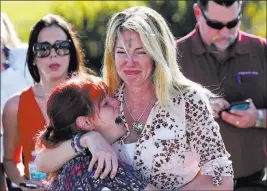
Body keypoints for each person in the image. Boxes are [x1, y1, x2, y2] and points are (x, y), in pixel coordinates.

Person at [35, 6, 234, 190]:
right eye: (121, 52)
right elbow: (43, 161)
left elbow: (222, 178)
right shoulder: (106, 98)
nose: (130, 62)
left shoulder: (188, 100)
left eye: (140, 52)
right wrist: (89, 139)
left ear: (159, 54)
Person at [176, 0, 267, 190]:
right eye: (216, 25)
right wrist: (198, 108)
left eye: (233, 23)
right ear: (197, 13)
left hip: (253, 182)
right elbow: (149, 119)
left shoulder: (261, 50)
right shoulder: (174, 56)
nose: (225, 33)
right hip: (195, 185)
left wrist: (258, 118)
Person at [2, 13, 88, 190]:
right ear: (32, 56)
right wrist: (24, 182)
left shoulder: (92, 95)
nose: (53, 55)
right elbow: (10, 160)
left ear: (72, 52)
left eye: (61, 47)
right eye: (43, 49)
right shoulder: (14, 106)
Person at [35, 74, 153, 190]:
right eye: (105, 103)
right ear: (85, 123)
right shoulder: (103, 168)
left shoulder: (64, 165)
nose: (117, 102)